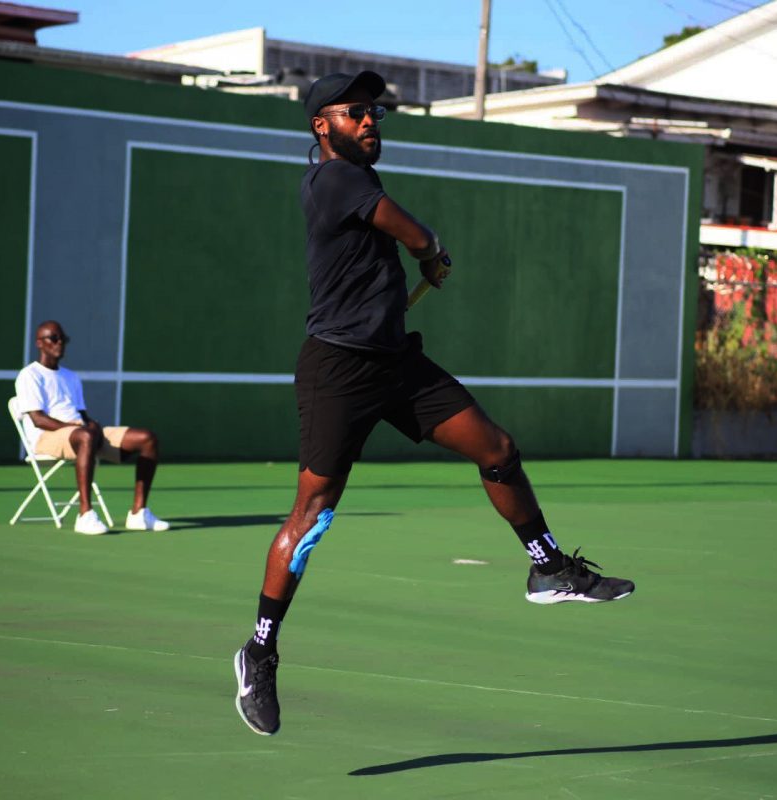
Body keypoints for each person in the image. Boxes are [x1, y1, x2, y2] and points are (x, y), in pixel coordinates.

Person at [232, 71, 636, 736]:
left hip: (395, 362)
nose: (370, 121)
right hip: (338, 369)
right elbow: (413, 233)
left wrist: (418, 262)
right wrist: (430, 254)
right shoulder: (335, 179)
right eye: (354, 113)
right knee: (311, 517)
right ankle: (261, 650)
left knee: (497, 450)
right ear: (320, 126)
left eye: (374, 112)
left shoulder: (355, 180)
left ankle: (547, 568)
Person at [14, 320, 170, 535]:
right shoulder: (29, 375)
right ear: (39, 343)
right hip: (47, 437)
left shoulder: (71, 377)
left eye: (64, 339)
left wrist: (91, 424)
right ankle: (85, 515)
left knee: (147, 438)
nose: (60, 343)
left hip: (80, 433)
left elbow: (83, 415)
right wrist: (77, 427)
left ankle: (138, 514)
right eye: (54, 338)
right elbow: (38, 419)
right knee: (86, 435)